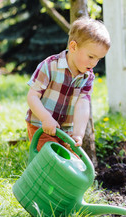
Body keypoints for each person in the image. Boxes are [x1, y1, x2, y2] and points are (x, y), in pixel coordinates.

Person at [25, 17, 110, 151]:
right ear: (73, 47)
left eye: (99, 59)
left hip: (65, 131)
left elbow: (83, 104)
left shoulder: (88, 76)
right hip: (41, 126)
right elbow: (32, 96)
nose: (94, 63)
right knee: (51, 158)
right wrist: (46, 118)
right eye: (91, 57)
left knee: (72, 163)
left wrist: (78, 134)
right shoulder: (50, 66)